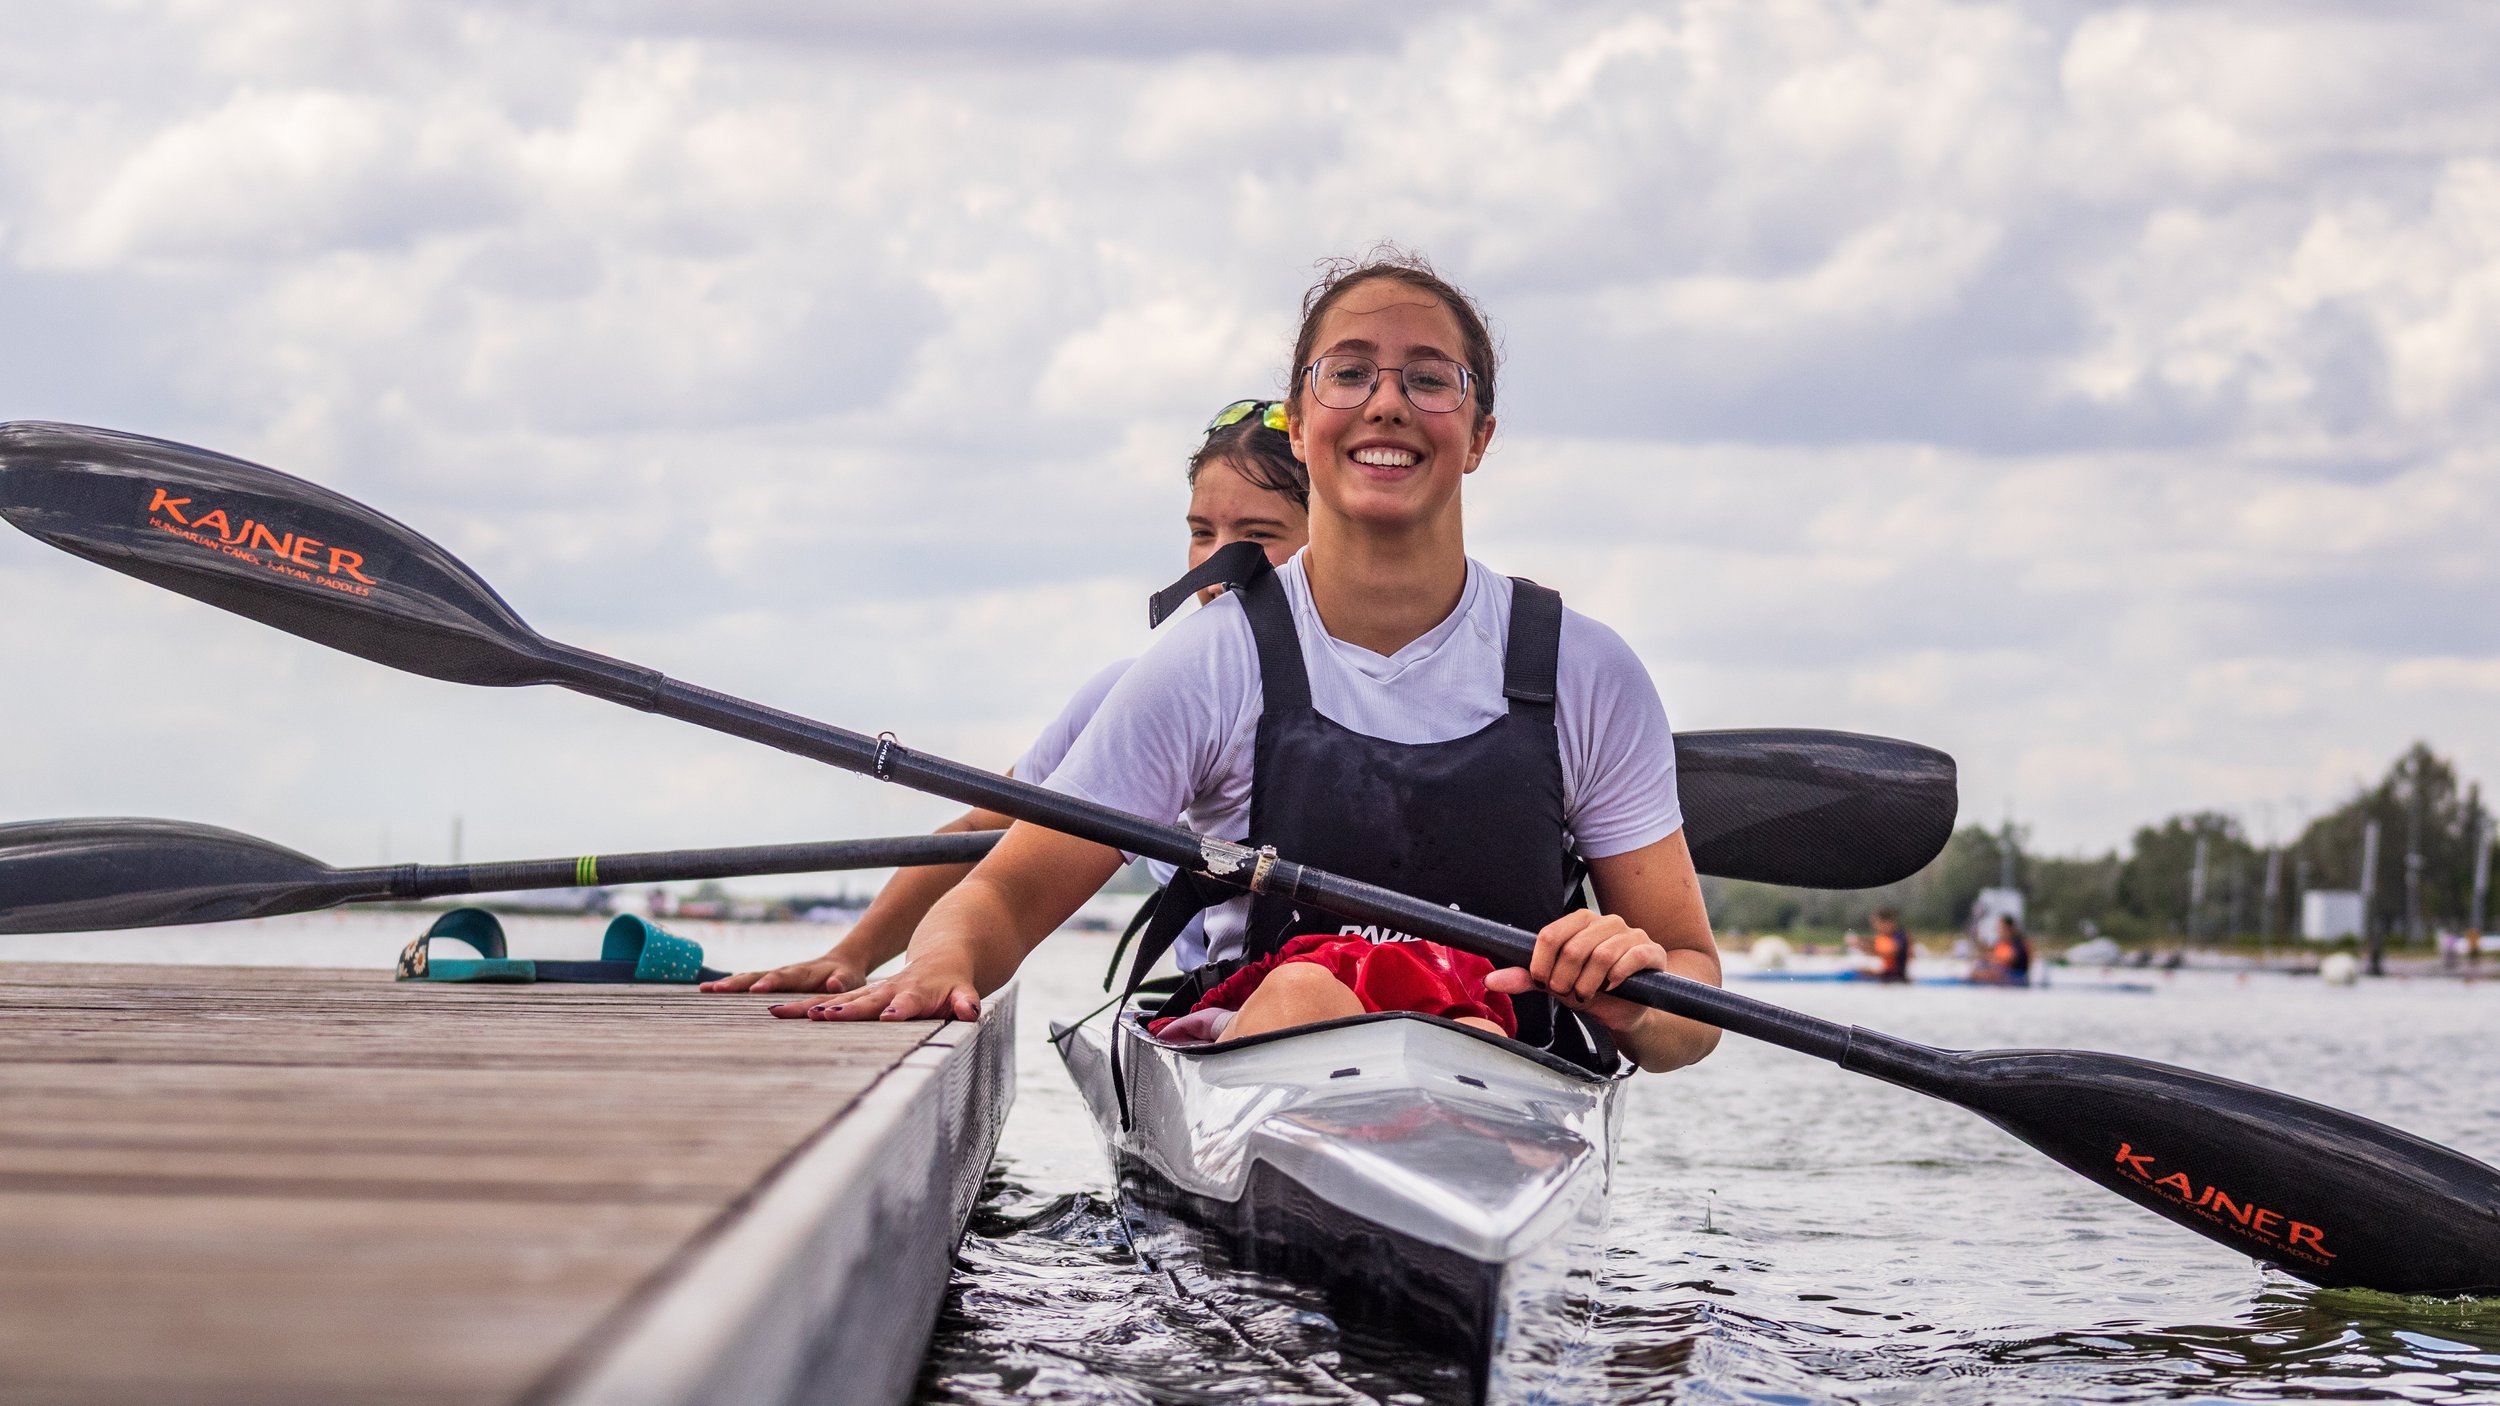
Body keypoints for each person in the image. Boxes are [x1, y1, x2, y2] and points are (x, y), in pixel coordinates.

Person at [804, 251, 1722, 1075]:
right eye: (1350, 372)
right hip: (1268, 1043)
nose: (1388, 401)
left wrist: (1636, 997)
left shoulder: (1586, 673)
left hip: (1497, 1066)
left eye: (1430, 379)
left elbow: (1694, 999)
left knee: (1460, 1038)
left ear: (1480, 434)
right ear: (1299, 425)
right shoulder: (1208, 665)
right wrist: (942, 962)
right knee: (1312, 997)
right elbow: (1002, 894)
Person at [699, 399, 1310, 1003]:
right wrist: (850, 956)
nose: (1216, 564)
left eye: (1257, 535)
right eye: (1202, 533)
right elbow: (981, 831)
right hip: (1231, 1003)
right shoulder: (1137, 692)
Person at [1971, 913, 2031, 986]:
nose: (1998, 930)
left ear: (2008, 928)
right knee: (1980, 967)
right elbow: (1990, 953)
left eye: (2000, 928)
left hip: (2017, 976)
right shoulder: (2000, 942)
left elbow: (2010, 959)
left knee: (1992, 973)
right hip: (2003, 974)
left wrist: (1989, 958)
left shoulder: (2019, 943)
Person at [1866, 908, 1912, 984]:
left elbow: (1892, 951)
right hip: (1888, 976)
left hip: (1895, 978)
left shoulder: (1900, 936)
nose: (1875, 927)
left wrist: (1868, 948)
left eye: (1877, 924)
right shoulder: (1885, 937)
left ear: (1887, 923)